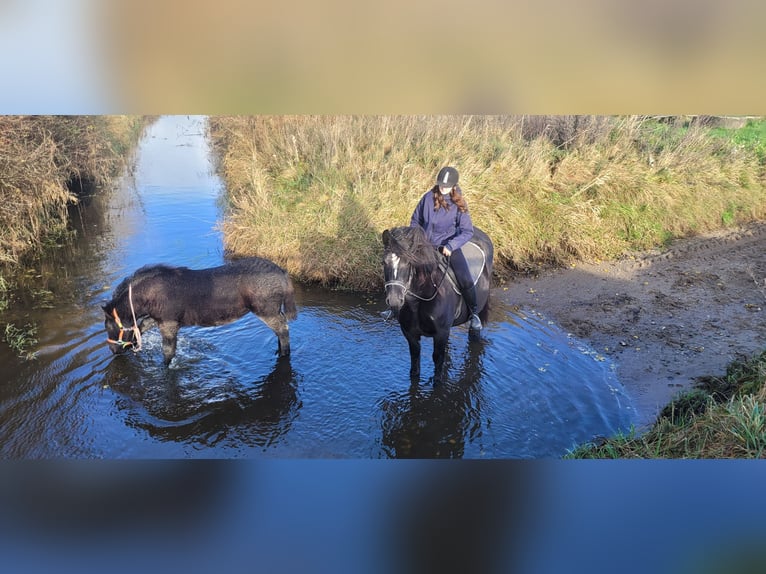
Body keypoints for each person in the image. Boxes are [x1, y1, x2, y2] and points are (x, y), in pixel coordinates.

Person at [410, 166, 482, 330]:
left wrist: (451, 245)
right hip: (426, 246)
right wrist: (418, 240)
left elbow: (467, 231)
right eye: (441, 184)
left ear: (454, 186)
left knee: (464, 277)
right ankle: (396, 307)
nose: (443, 187)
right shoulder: (427, 198)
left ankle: (474, 313)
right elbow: (415, 221)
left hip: (448, 247)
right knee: (404, 269)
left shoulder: (459, 203)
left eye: (447, 185)